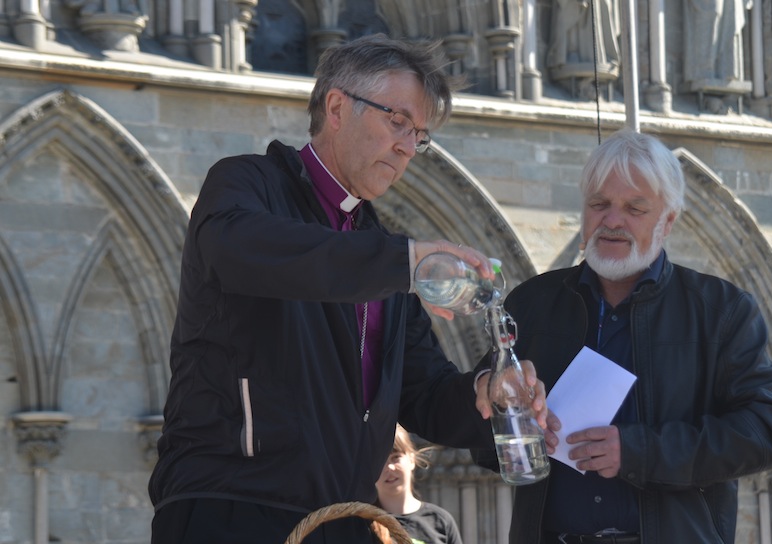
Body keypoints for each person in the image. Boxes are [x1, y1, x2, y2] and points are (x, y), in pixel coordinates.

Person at [147, 33, 551, 544]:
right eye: (397, 121)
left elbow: (423, 393)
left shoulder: (377, 248)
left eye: (419, 135)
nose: (408, 146)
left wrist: (484, 392)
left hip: (345, 520)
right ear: (337, 107)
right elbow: (250, 252)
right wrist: (405, 261)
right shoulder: (247, 185)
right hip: (233, 508)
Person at [473, 128, 772, 544]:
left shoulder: (721, 311)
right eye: (599, 204)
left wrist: (640, 452)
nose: (612, 220)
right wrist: (509, 414)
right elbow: (477, 432)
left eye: (635, 208)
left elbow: (764, 430)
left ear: (668, 221)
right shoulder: (532, 302)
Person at [375, 425, 463, 544]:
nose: (390, 467)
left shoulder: (441, 521)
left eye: (396, 458)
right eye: (380, 462)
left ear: (411, 459)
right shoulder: (361, 525)